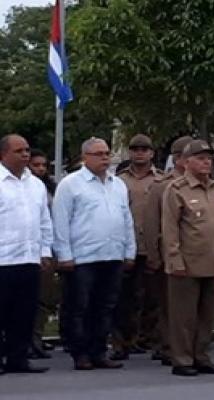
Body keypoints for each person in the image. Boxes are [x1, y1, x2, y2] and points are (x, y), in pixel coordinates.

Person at [52, 137, 136, 370]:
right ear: (84, 157)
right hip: (82, 258)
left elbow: (126, 219)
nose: (105, 158)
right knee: (79, 307)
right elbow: (61, 221)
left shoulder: (117, 184)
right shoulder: (70, 184)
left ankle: (99, 351)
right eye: (98, 154)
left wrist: (129, 251)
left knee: (105, 306)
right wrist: (64, 255)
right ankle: (80, 353)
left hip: (112, 255)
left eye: (107, 154)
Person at [161, 140, 214, 377]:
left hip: (213, 260)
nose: (206, 162)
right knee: (184, 316)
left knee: (207, 314)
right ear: (187, 161)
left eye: (209, 159)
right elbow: (170, 229)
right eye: (201, 158)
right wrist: (174, 259)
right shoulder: (177, 189)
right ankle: (182, 359)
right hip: (188, 262)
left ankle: (201, 356)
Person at [0, 134, 52, 374]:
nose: (25, 154)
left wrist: (44, 250)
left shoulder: (36, 185)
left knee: (24, 313)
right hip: (4, 259)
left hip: (29, 258)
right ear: (4, 154)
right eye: (19, 150)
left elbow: (44, 221)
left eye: (27, 150)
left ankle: (18, 358)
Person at [141, 135, 193, 366]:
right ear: (179, 159)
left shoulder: (206, 185)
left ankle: (188, 345)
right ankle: (167, 345)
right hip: (169, 255)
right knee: (169, 304)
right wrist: (154, 255)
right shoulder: (162, 186)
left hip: (197, 255)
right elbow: (152, 224)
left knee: (190, 305)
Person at [111, 134, 162, 361]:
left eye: (144, 149)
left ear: (152, 153)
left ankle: (148, 339)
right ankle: (122, 342)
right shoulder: (118, 180)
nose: (140, 153)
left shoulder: (161, 180)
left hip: (152, 246)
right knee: (124, 298)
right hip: (126, 246)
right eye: (135, 149)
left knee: (153, 297)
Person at [27, 149, 58, 360]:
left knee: (44, 298)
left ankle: (36, 338)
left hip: (47, 248)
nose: (40, 169)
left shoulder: (49, 188)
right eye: (36, 165)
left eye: (43, 165)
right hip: (24, 251)